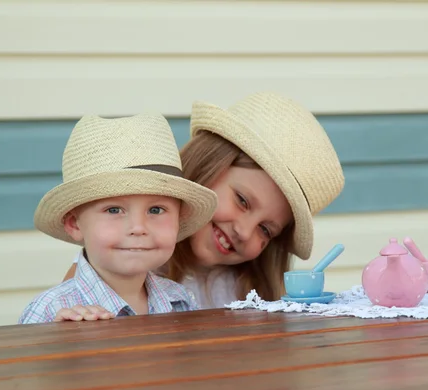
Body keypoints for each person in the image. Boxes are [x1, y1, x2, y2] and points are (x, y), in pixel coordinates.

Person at [61, 91, 344, 319]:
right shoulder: (119, 267)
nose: (244, 232)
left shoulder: (250, 294)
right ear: (206, 166)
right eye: (242, 201)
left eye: (266, 230)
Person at [18, 113, 217, 324]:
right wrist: (62, 347)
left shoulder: (180, 301)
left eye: (156, 210)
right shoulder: (50, 311)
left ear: (179, 218)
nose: (138, 228)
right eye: (114, 210)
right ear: (74, 224)